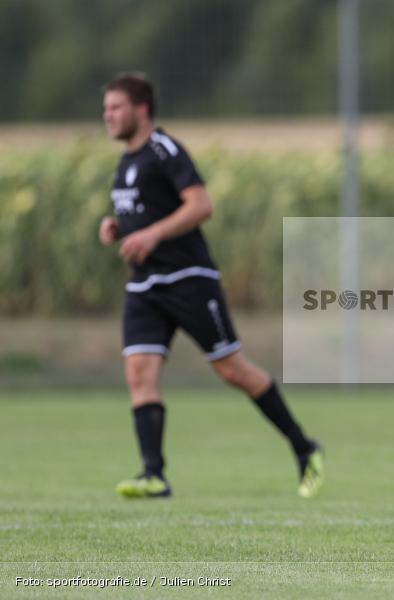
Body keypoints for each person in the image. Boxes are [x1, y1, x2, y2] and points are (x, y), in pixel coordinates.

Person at [98, 72, 323, 499]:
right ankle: (154, 474)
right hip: (145, 285)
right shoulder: (126, 161)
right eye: (105, 108)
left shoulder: (163, 150)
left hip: (188, 279)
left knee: (231, 370)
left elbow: (201, 205)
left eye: (115, 107)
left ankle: (303, 445)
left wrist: (151, 235)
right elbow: (143, 212)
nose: (107, 115)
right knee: (139, 373)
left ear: (141, 108)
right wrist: (118, 227)